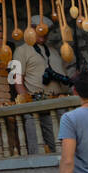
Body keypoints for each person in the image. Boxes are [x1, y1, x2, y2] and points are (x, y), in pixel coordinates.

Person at [12, 14, 73, 152]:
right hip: (35, 103)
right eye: (39, 31)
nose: (43, 36)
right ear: (30, 29)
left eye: (46, 33)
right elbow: (17, 80)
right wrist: (28, 104)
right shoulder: (21, 51)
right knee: (37, 148)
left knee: (62, 145)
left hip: (58, 103)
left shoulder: (53, 51)